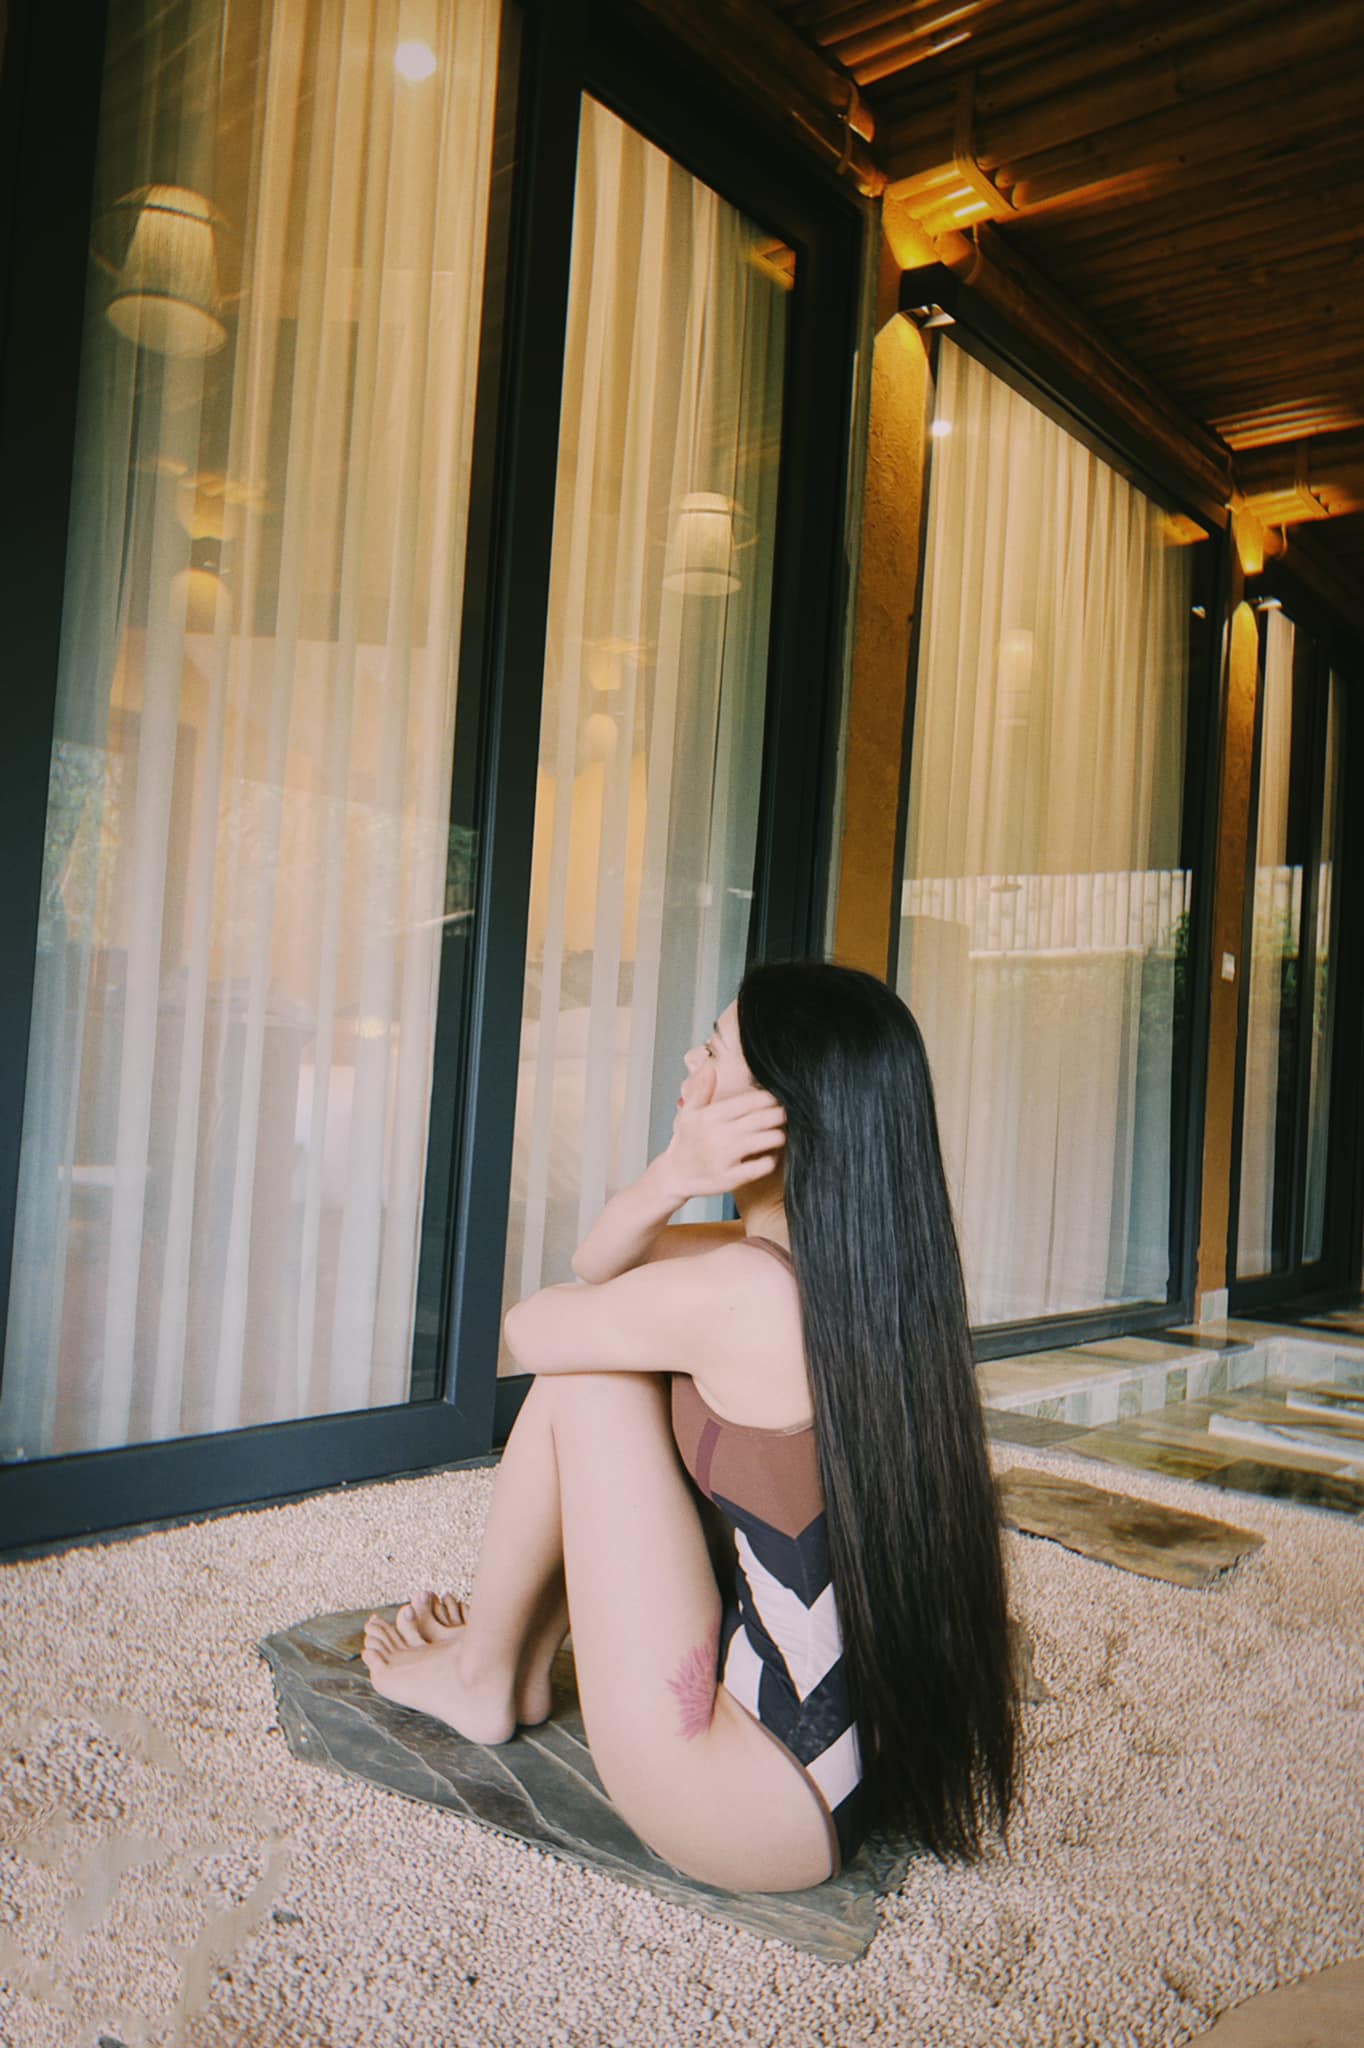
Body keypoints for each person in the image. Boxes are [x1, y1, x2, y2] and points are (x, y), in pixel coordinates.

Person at [362, 959, 1018, 1892]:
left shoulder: (748, 1292)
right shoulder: (848, 1267)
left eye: (714, 1050)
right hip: (831, 1775)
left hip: (747, 1805)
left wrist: (673, 1174)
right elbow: (606, 1262)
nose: (689, 1060)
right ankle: (511, 1657)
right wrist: (669, 1185)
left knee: (592, 1377)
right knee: (609, 1341)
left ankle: (485, 1675)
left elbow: (535, 1328)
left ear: (773, 1117)